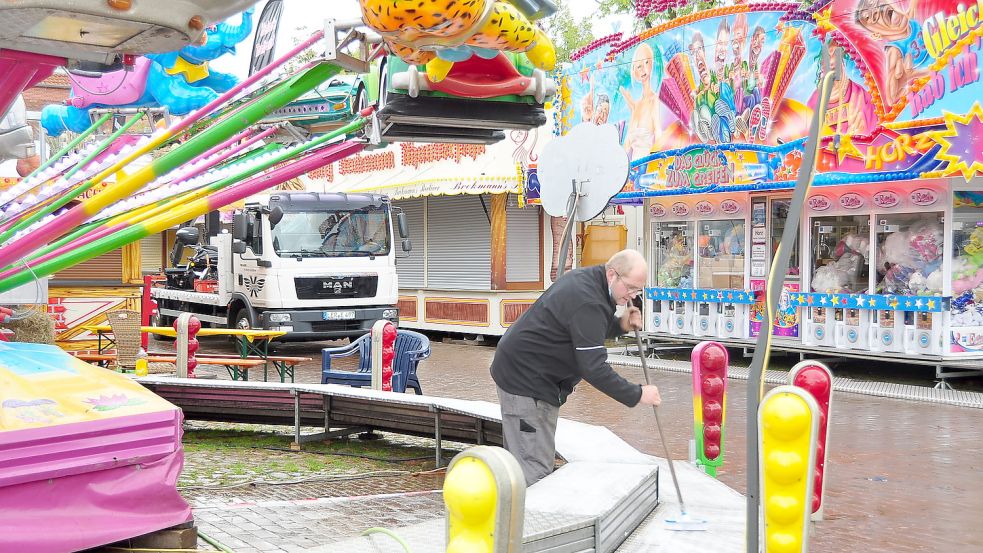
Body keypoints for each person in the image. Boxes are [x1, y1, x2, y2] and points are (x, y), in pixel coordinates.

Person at [490, 249, 663, 485]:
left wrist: (620, 324)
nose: (632, 295)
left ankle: (517, 513)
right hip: (526, 381)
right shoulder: (589, 298)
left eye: (638, 290)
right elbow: (593, 368)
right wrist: (637, 393)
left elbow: (584, 327)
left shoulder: (593, 282)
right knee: (534, 469)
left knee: (527, 459)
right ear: (612, 274)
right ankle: (530, 517)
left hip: (533, 376)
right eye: (630, 288)